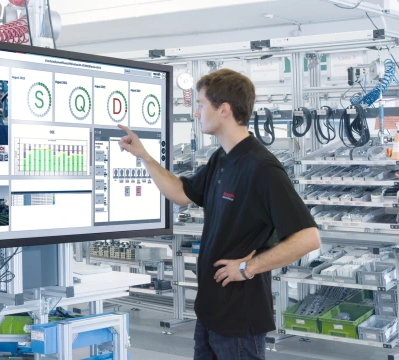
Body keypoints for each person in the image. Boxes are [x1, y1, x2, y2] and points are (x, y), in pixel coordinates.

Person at [118, 68, 321, 360]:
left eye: (201, 105)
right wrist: (145, 157)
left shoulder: (262, 168)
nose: (197, 113)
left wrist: (248, 268)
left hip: (239, 318)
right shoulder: (221, 159)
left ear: (224, 109)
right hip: (211, 312)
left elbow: (308, 238)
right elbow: (180, 193)